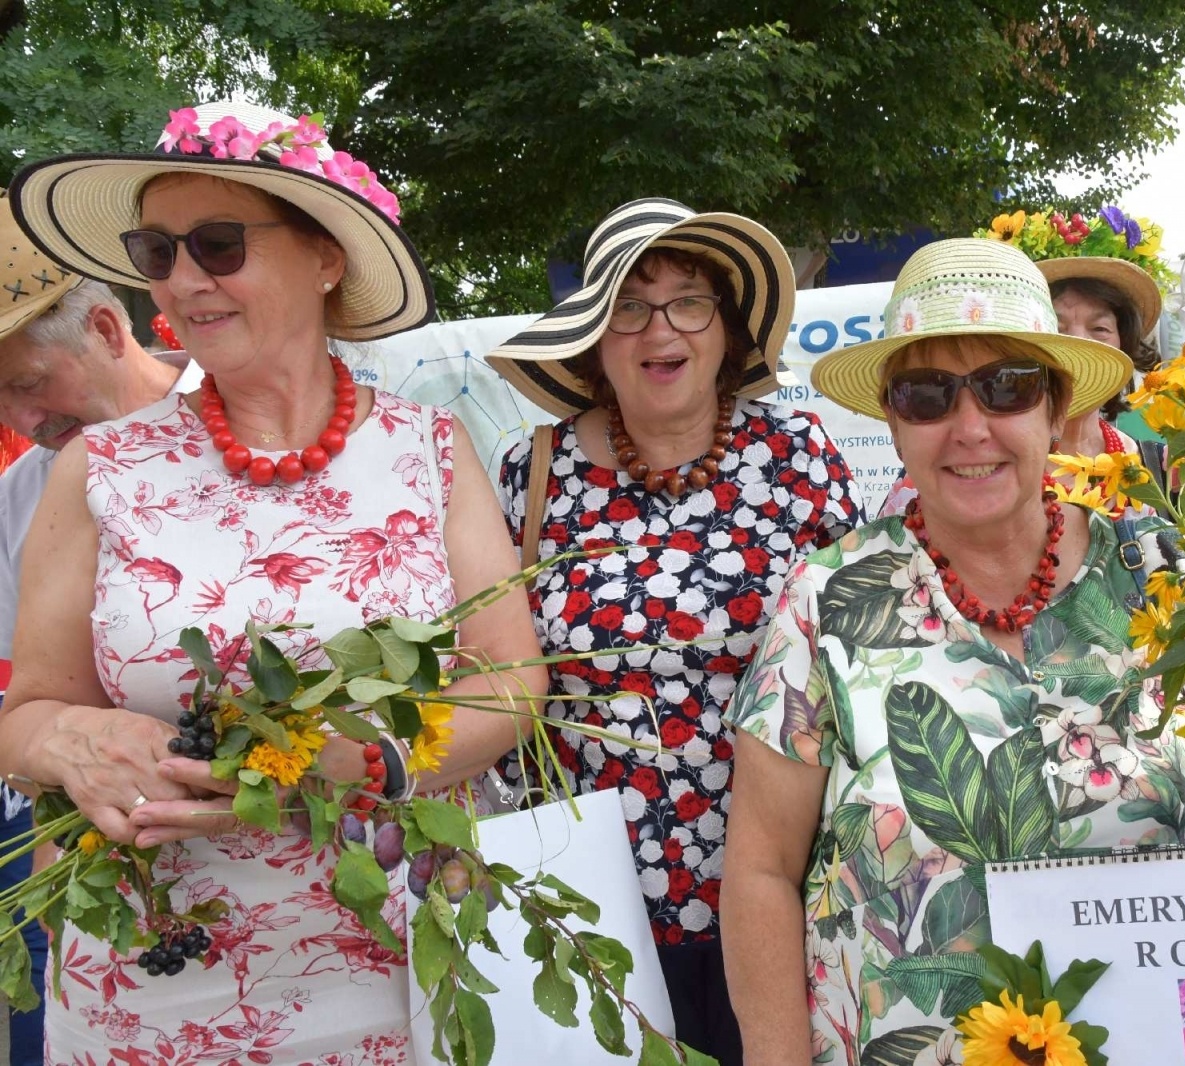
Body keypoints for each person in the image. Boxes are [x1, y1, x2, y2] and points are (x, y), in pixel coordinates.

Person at [0, 101, 543, 1059]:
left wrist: (365, 761)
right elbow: (28, 711)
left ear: (325, 255)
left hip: (395, 965)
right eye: (156, 252)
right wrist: (71, 741)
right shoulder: (102, 468)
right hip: (154, 980)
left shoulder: (428, 452)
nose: (183, 281)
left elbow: (513, 685)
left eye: (217, 243)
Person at [721, 238, 1185, 1064]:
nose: (970, 427)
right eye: (928, 394)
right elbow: (761, 873)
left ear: (1055, 410)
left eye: (1007, 387)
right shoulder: (827, 601)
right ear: (894, 422)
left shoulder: (1161, 572)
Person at [486, 198, 862, 1065]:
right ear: (592, 335)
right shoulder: (530, 471)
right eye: (627, 303)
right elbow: (485, 666)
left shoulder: (798, 457)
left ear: (726, 331)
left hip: (780, 888)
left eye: (689, 299)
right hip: (590, 902)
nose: (660, 328)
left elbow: (860, 654)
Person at [0, 195, 206, 1066]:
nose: (21, 422)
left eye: (28, 382)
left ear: (105, 327)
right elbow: (26, 708)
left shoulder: (247, 426)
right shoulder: (21, 499)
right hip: (102, 898)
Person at [875, 250, 1167, 518]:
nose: (971, 430)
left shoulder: (1160, 468)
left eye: (1099, 328)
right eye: (928, 393)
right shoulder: (940, 480)